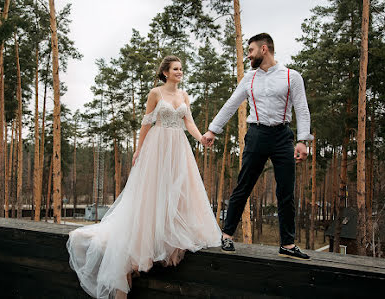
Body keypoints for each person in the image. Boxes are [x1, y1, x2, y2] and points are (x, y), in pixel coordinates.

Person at [67, 55, 221, 299]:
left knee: (178, 190)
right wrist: (139, 149)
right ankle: (144, 245)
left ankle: (170, 234)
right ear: (165, 73)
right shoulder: (155, 94)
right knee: (153, 192)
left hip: (178, 147)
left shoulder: (183, 96)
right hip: (157, 147)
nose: (180, 72)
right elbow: (146, 124)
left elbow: (188, 122)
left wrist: (201, 137)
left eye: (181, 69)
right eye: (175, 69)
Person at [202, 33, 313, 260]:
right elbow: (231, 104)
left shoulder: (292, 76)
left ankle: (287, 244)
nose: (248, 55)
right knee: (244, 185)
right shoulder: (249, 78)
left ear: (264, 49)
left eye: (250, 50)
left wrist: (302, 141)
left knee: (286, 191)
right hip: (256, 134)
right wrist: (213, 129)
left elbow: (301, 108)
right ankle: (227, 235)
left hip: (283, 135)